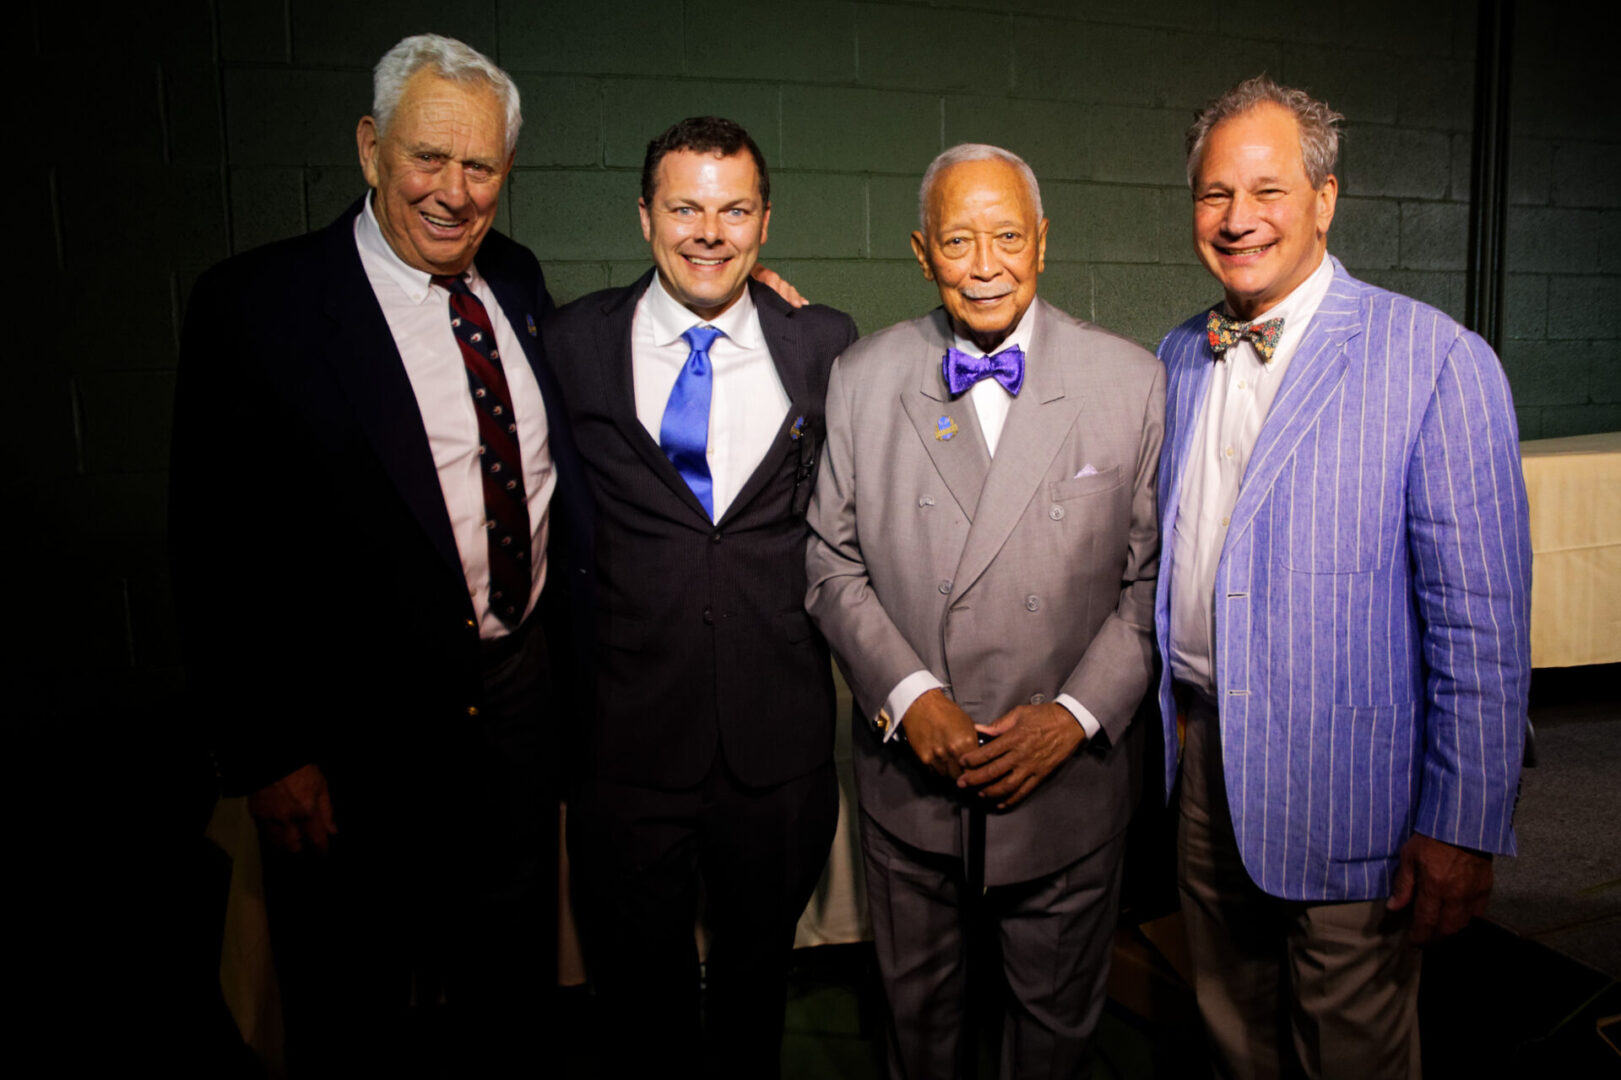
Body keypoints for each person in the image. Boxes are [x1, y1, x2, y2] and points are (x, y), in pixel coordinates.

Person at [168, 33, 593, 1075]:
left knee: (508, 998)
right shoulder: (256, 307)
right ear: (369, 148)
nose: (453, 191)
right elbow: (212, 547)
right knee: (354, 1012)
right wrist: (266, 753)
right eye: (427, 158)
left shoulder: (521, 282)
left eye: (480, 166)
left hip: (517, 720)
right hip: (352, 749)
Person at [1154, 75, 1531, 1079]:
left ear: (1324, 200)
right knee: (1231, 1024)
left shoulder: (1435, 360)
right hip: (1202, 771)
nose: (1237, 221)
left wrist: (1461, 824)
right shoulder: (1177, 358)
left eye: (1268, 191)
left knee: (1351, 1046)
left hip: (1353, 789)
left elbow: (1480, 623)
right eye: (1213, 195)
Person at [805, 144, 1164, 1077]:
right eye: (957, 240)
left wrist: (1074, 717)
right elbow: (829, 563)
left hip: (1066, 792)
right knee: (915, 1038)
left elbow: (1151, 583)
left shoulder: (1129, 382)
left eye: (1006, 235)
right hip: (912, 790)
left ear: (1041, 242)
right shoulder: (862, 377)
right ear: (922, 254)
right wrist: (907, 693)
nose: (984, 263)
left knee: (1052, 1044)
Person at [543, 116, 857, 1077]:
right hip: (628, 741)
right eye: (685, 208)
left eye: (733, 211)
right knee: (641, 1004)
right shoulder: (572, 343)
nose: (708, 232)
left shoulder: (823, 344)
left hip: (777, 740)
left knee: (757, 991)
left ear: (764, 225)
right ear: (645, 217)